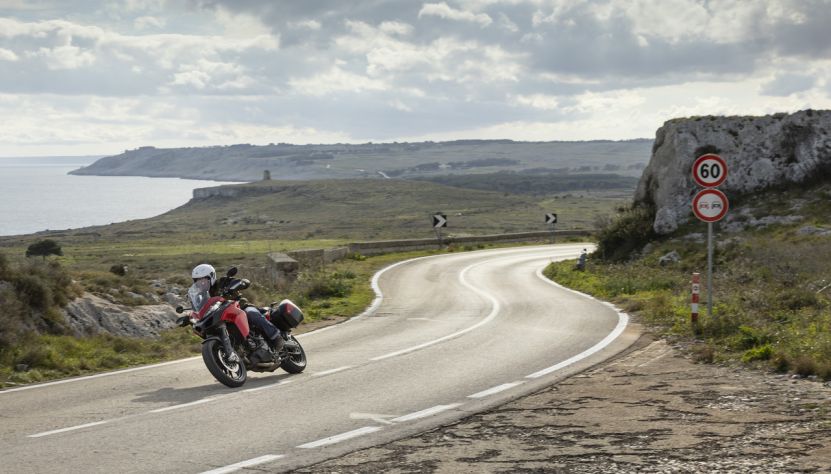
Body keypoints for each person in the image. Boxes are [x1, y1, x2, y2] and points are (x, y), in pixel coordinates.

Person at [190, 264, 282, 352]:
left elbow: (244, 282)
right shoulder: (202, 296)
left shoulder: (223, 282)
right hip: (220, 316)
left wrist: (240, 284)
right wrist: (189, 316)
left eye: (203, 280)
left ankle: (275, 336)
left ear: (211, 277)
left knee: (251, 313)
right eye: (197, 281)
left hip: (240, 308)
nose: (201, 283)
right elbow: (199, 308)